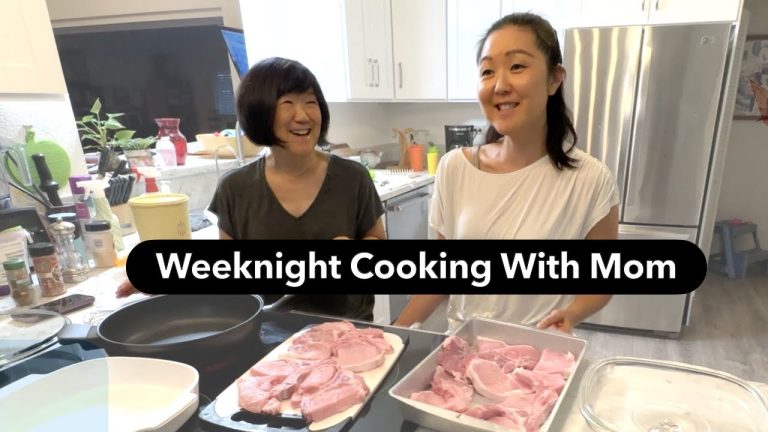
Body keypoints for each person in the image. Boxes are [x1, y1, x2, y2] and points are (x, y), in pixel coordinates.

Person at [394, 13, 619, 333]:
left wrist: (572, 312)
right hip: (460, 353)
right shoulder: (455, 168)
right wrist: (390, 337)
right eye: (487, 71)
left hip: (535, 358)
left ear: (554, 79)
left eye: (517, 66)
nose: (500, 85)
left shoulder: (590, 180)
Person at [118, 57, 385, 320]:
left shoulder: (352, 177)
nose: (302, 116)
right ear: (260, 114)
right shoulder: (236, 189)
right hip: (270, 339)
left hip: (351, 333)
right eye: (288, 104)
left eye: (310, 103)